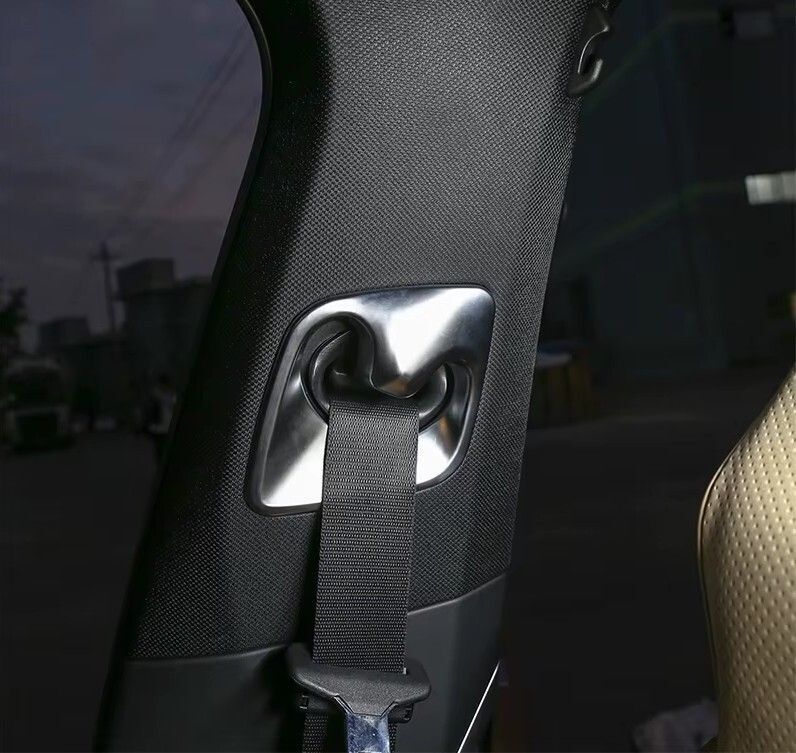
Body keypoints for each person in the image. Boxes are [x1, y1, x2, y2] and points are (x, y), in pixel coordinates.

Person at [145, 373, 176, 464]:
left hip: (164, 427)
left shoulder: (169, 396)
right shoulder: (160, 395)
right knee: (160, 450)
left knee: (162, 450)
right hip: (160, 428)